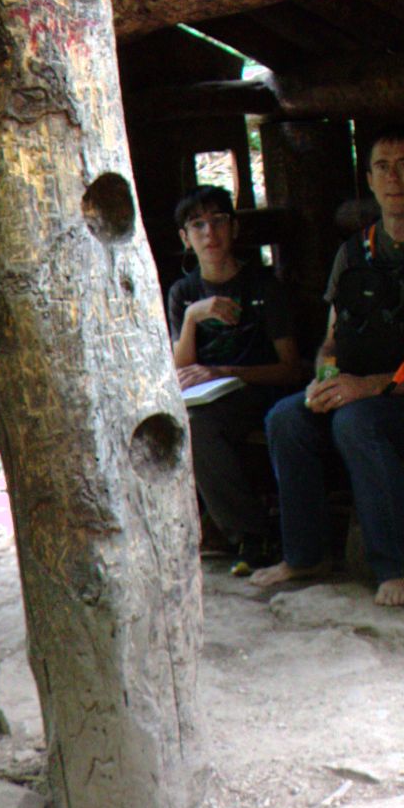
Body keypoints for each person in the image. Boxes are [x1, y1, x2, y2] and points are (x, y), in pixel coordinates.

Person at [251, 123, 404, 607]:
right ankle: (305, 554)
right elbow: (332, 341)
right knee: (287, 418)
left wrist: (368, 388)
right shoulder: (353, 253)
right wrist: (327, 381)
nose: (393, 178)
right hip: (362, 392)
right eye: (382, 167)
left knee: (357, 423)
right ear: (370, 181)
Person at [164, 185, 304, 572]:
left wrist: (226, 371)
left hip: (261, 391)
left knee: (206, 426)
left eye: (218, 221)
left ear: (235, 228)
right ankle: (248, 534)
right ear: (185, 239)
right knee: (193, 424)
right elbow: (182, 371)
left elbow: (291, 367)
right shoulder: (183, 293)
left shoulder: (263, 286)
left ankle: (253, 536)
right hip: (211, 401)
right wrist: (193, 316)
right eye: (197, 225)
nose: (209, 233)